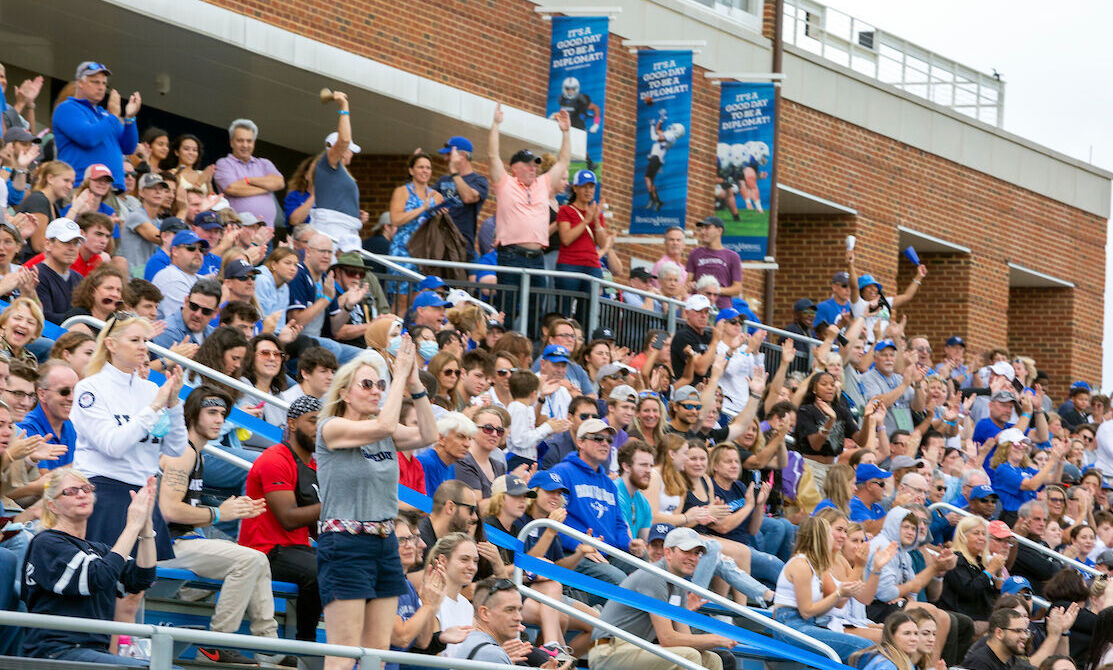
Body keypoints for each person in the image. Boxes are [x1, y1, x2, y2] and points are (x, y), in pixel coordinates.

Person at [315, 336, 437, 669]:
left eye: (380, 384)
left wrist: (414, 384)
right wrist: (397, 376)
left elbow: (428, 435)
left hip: (385, 544)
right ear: (344, 392)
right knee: (344, 651)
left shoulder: (383, 430)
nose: (376, 390)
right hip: (346, 543)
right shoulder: (331, 427)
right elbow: (384, 422)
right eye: (367, 384)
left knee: (377, 654)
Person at [157, 385, 288, 665]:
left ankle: (268, 647)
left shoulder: (196, 452)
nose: (219, 419)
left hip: (184, 541)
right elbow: (168, 510)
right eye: (212, 412)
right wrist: (219, 514)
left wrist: (234, 509)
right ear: (192, 414)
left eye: (222, 413)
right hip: (165, 545)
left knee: (259, 560)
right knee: (249, 560)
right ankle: (216, 644)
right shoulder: (184, 451)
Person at [20, 468, 157, 665]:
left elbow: (142, 578)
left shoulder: (98, 550)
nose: (82, 494)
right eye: (71, 491)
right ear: (52, 506)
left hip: (93, 653)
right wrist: (132, 526)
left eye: (86, 488)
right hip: (56, 652)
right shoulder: (46, 543)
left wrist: (145, 526)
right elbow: (97, 577)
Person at [588, 527, 733, 670]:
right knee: (688, 656)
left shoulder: (678, 583)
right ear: (668, 553)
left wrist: (714, 641)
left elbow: (684, 636)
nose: (692, 558)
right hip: (609, 651)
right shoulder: (654, 576)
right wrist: (714, 639)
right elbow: (667, 639)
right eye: (686, 551)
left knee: (712, 659)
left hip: (635, 648)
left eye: (696, 553)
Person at [487, 104, 571, 324]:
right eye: (527, 164)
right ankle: (501, 347)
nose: (532, 168)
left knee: (536, 310)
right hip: (511, 254)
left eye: (534, 164)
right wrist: (495, 125)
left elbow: (563, 162)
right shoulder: (505, 183)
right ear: (514, 167)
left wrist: (566, 132)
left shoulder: (542, 184)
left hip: (537, 257)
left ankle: (530, 350)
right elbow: (492, 156)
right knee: (505, 305)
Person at [550, 418, 647, 571]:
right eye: (598, 438)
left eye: (608, 440)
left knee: (645, 567)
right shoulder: (562, 472)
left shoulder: (608, 484)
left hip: (608, 552)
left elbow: (619, 524)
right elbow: (552, 518)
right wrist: (579, 546)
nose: (605, 443)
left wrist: (629, 544)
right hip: (574, 551)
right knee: (616, 578)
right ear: (580, 442)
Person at [52, 61, 140, 190]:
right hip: (82, 187)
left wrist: (129, 118)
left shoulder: (105, 115)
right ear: (80, 83)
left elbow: (129, 147)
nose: (101, 87)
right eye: (95, 82)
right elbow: (89, 138)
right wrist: (114, 115)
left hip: (111, 189)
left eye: (104, 83)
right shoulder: (67, 108)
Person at [386, 152, 444, 304]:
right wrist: (421, 209)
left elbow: (438, 227)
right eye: (421, 167)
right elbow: (396, 219)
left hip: (425, 252)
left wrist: (441, 215)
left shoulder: (436, 196)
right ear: (411, 170)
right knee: (402, 300)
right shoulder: (402, 191)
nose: (425, 171)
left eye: (428, 168)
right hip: (403, 250)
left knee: (419, 300)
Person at [555, 169, 608, 324]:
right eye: (584, 186)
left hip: (592, 266)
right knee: (564, 311)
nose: (588, 190)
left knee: (587, 313)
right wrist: (586, 220)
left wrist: (596, 221)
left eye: (591, 187)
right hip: (569, 264)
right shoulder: (566, 210)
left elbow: (603, 244)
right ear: (575, 188)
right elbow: (566, 239)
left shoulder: (597, 213)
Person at [213, 119, 285, 227]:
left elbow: (279, 183)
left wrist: (248, 180)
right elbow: (232, 189)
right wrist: (266, 188)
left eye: (249, 141)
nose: (245, 145)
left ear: (254, 143)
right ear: (231, 142)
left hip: (266, 232)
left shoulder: (264, 163)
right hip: (239, 231)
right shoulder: (224, 164)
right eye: (240, 140)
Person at [940, 516, 1006, 625]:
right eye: (976, 533)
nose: (981, 538)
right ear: (962, 536)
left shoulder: (980, 563)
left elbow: (993, 597)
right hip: (964, 619)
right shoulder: (955, 558)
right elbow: (968, 591)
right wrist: (990, 570)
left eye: (984, 534)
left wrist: (998, 572)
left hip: (983, 617)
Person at [17, 360, 79, 472]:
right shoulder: (26, 427)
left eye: (77, 391)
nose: (72, 398)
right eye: (64, 392)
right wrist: (86, 465)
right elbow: (42, 482)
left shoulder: (73, 425)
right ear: (42, 394)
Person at [452, 577, 527, 664]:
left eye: (519, 610)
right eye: (510, 610)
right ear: (485, 613)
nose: (519, 618)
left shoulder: (475, 642)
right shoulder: (492, 654)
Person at [433, 136, 488, 255]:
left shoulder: (479, 180)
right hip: (437, 244)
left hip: (461, 246)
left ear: (462, 155)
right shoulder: (442, 180)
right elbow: (426, 201)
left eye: (449, 154)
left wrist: (454, 172)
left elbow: (468, 197)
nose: (445, 158)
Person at [35, 218, 85, 325]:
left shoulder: (79, 279)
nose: (72, 248)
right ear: (48, 244)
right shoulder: (36, 275)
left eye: (76, 243)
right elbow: (45, 318)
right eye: (66, 242)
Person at [685, 216, 741, 310]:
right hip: (698, 308)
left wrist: (716, 290)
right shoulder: (695, 254)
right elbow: (688, 282)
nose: (702, 232)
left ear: (719, 231)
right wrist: (690, 285)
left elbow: (737, 289)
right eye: (702, 228)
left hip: (722, 310)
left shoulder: (732, 256)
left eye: (707, 228)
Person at [152, 230, 209, 318]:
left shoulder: (202, 279)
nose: (198, 252)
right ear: (175, 251)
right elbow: (188, 319)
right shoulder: (170, 277)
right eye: (191, 247)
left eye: (201, 249)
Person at [120, 172, 170, 272]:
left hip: (148, 275)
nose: (158, 192)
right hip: (133, 278)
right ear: (141, 192)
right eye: (152, 188)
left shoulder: (158, 222)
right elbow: (159, 237)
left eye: (161, 189)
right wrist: (183, 210)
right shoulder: (136, 216)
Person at [417, 412, 475, 496]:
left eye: (469, 438)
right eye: (461, 437)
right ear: (441, 439)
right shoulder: (426, 462)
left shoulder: (450, 465)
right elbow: (422, 503)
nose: (467, 444)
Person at [152, 278, 220, 348]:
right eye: (194, 306)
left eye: (206, 311)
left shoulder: (215, 335)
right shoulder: (165, 331)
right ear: (186, 301)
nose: (198, 315)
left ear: (215, 312)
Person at [960, 608, 1032, 670]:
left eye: (1025, 631)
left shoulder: (1010, 660)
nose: (1024, 636)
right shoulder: (979, 664)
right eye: (1018, 631)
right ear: (999, 633)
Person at [0, 296, 42, 366]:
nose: (23, 325)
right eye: (17, 318)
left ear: (35, 333)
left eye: (30, 322)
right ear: (4, 323)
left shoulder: (31, 359)